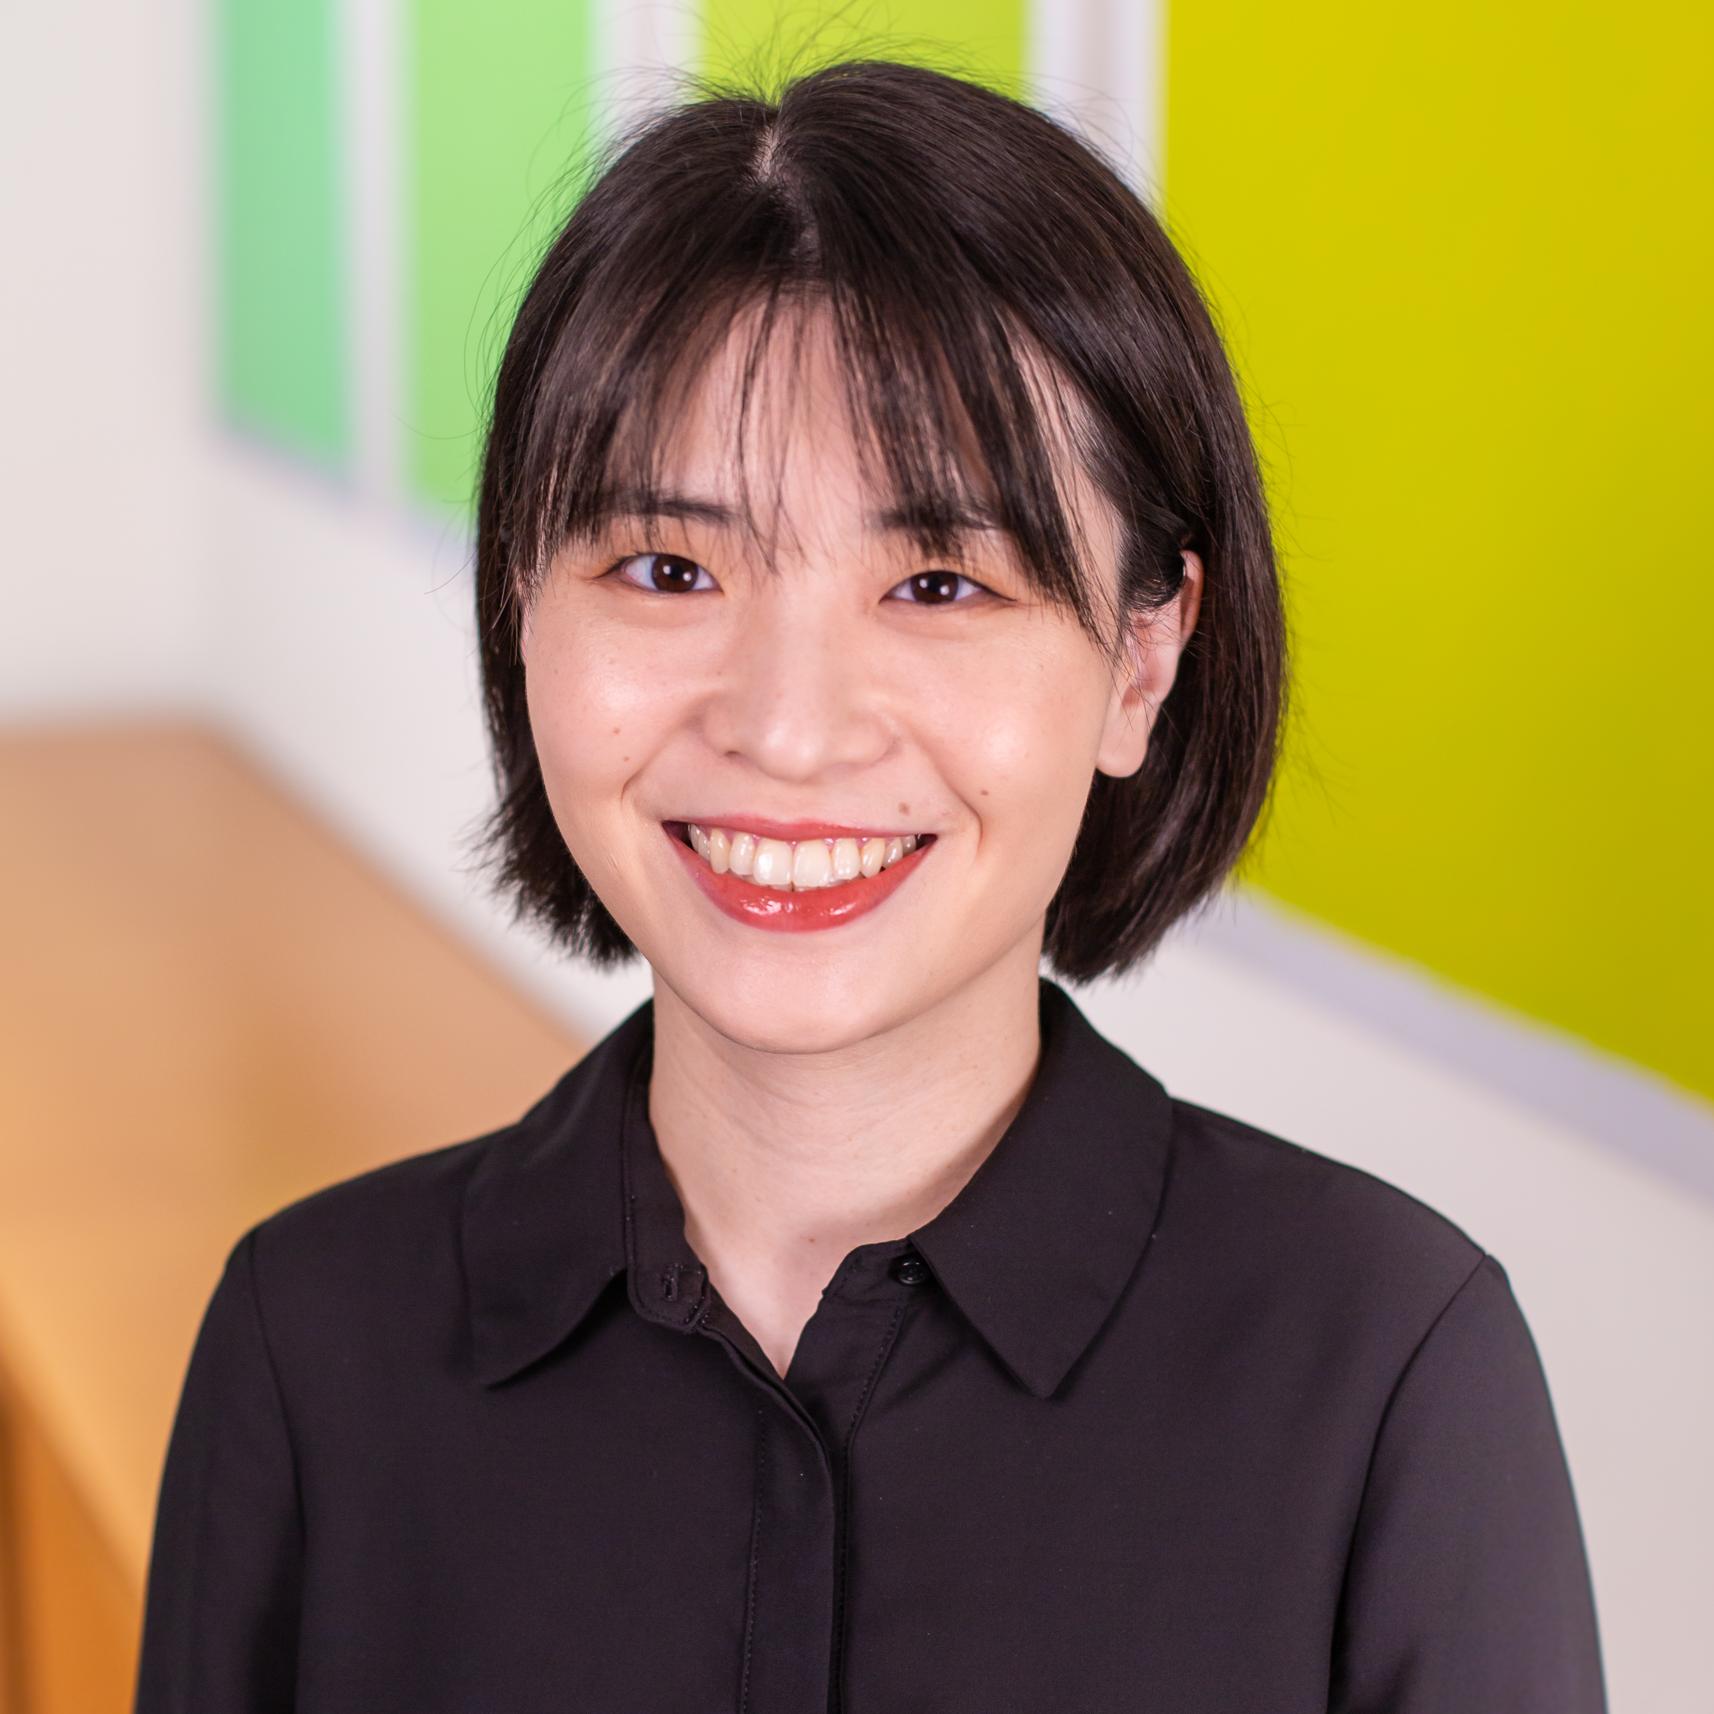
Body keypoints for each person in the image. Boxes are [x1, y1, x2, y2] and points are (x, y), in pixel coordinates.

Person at [133, 55, 1606, 1713]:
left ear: (1140, 656)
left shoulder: (1387, 1371)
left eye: (938, 580)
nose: (785, 724)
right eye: (667, 567)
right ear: (521, 614)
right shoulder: (311, 1347)